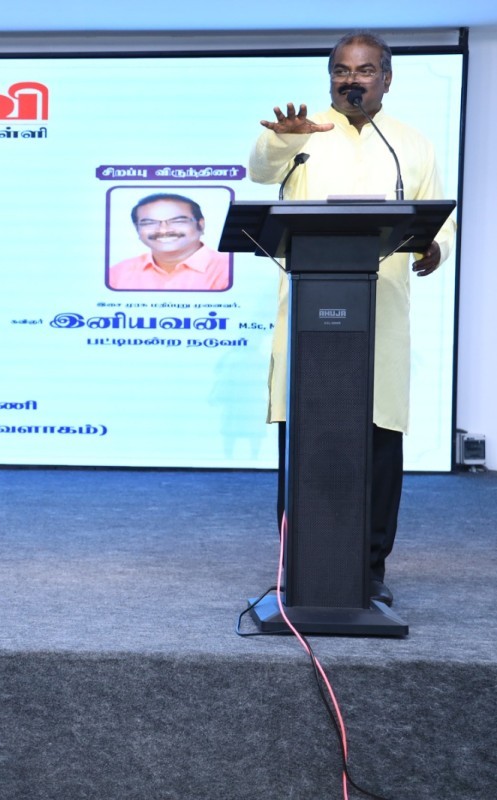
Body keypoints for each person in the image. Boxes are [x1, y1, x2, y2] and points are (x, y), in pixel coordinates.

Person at [248, 31, 456, 605]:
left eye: (364, 71)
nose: (351, 80)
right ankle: (299, 566)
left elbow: (438, 216)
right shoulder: (303, 132)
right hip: (312, 319)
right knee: (307, 443)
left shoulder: (410, 143)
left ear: (386, 78)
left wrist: (436, 247)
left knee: (379, 444)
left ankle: (370, 570)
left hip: (381, 315)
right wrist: (282, 141)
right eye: (341, 70)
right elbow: (260, 172)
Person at [107, 193, 231, 291]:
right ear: (137, 229)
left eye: (178, 221)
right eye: (149, 223)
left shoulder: (229, 269)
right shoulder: (118, 273)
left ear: (201, 225)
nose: (163, 230)